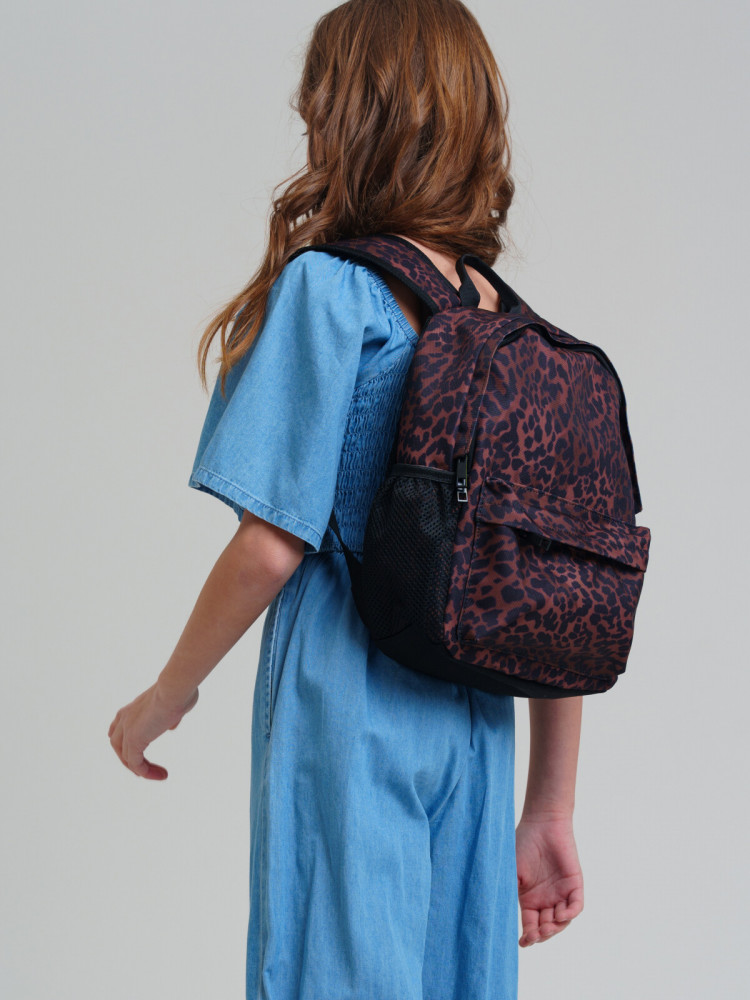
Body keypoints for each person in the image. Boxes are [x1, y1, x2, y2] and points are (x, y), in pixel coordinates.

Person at [107, 1, 584, 997]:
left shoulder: (332, 290)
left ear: (353, 116)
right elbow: (551, 593)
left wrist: (167, 695)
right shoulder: (514, 323)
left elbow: (268, 548)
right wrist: (549, 806)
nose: (306, 118)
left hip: (348, 702)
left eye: (317, 101)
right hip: (478, 724)